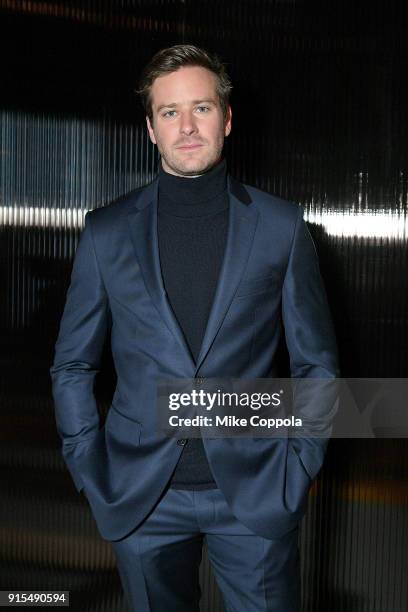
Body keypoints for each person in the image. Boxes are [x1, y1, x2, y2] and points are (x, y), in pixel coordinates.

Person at [50, 44, 339, 612]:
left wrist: (300, 464)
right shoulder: (106, 232)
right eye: (169, 112)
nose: (186, 126)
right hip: (140, 497)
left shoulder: (280, 226)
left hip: (257, 494)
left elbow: (316, 364)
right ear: (151, 128)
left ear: (227, 119)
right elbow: (73, 365)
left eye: (201, 108)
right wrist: (89, 465)